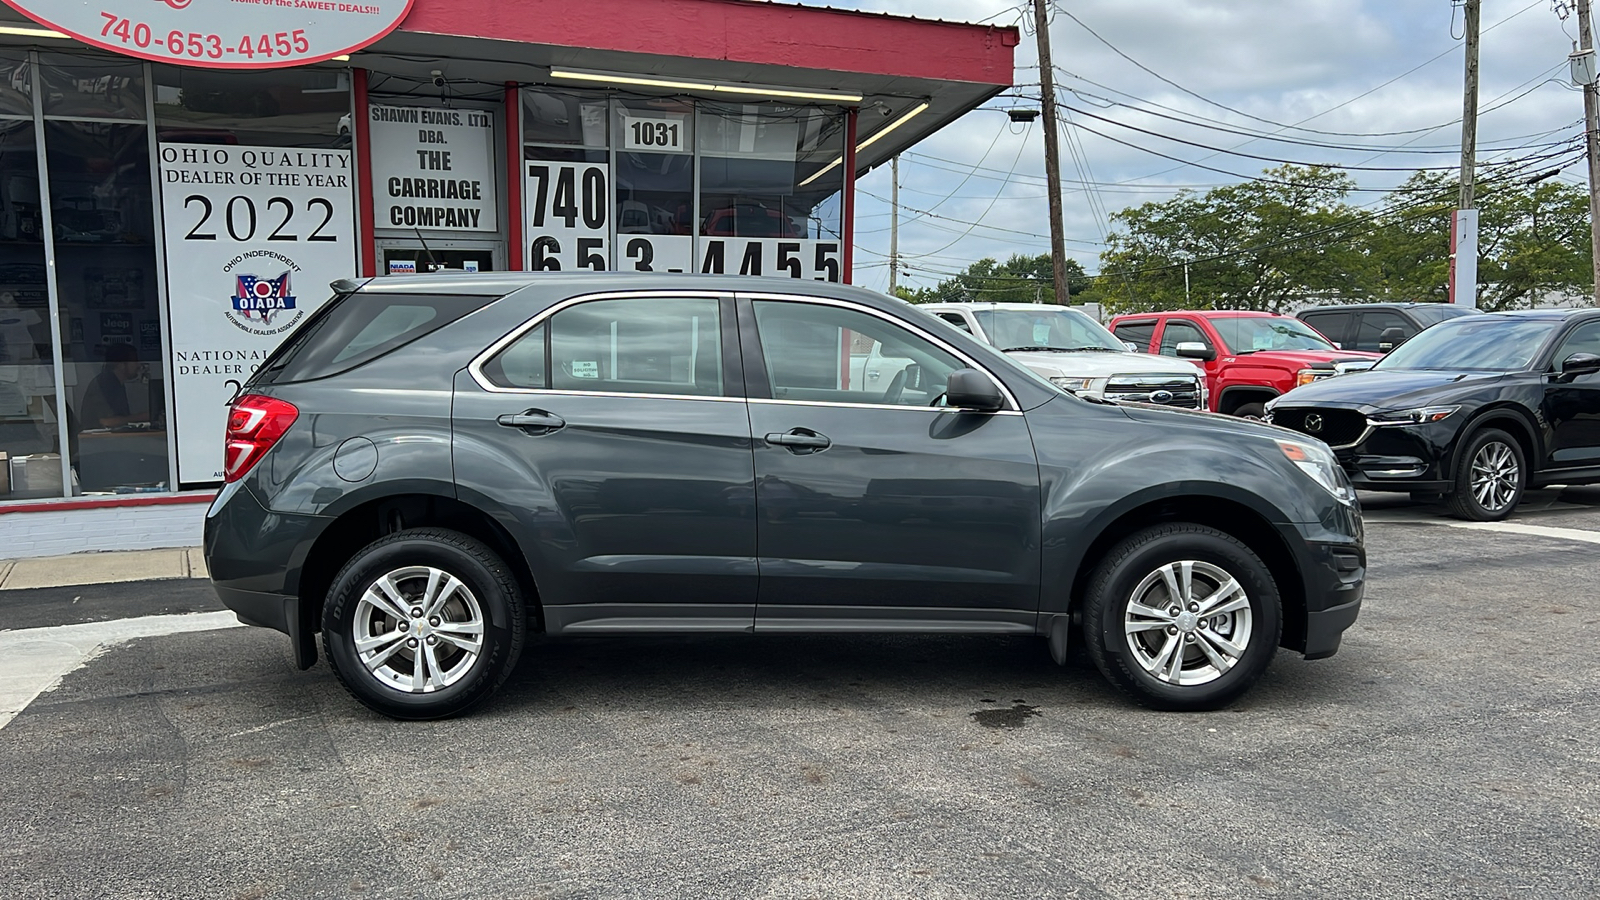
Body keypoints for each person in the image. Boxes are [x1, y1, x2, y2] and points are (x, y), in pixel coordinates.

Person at [79, 342, 145, 429]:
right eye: (134, 361)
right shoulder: (105, 383)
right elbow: (106, 422)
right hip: (98, 440)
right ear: (121, 365)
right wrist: (141, 417)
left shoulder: (116, 383)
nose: (139, 365)